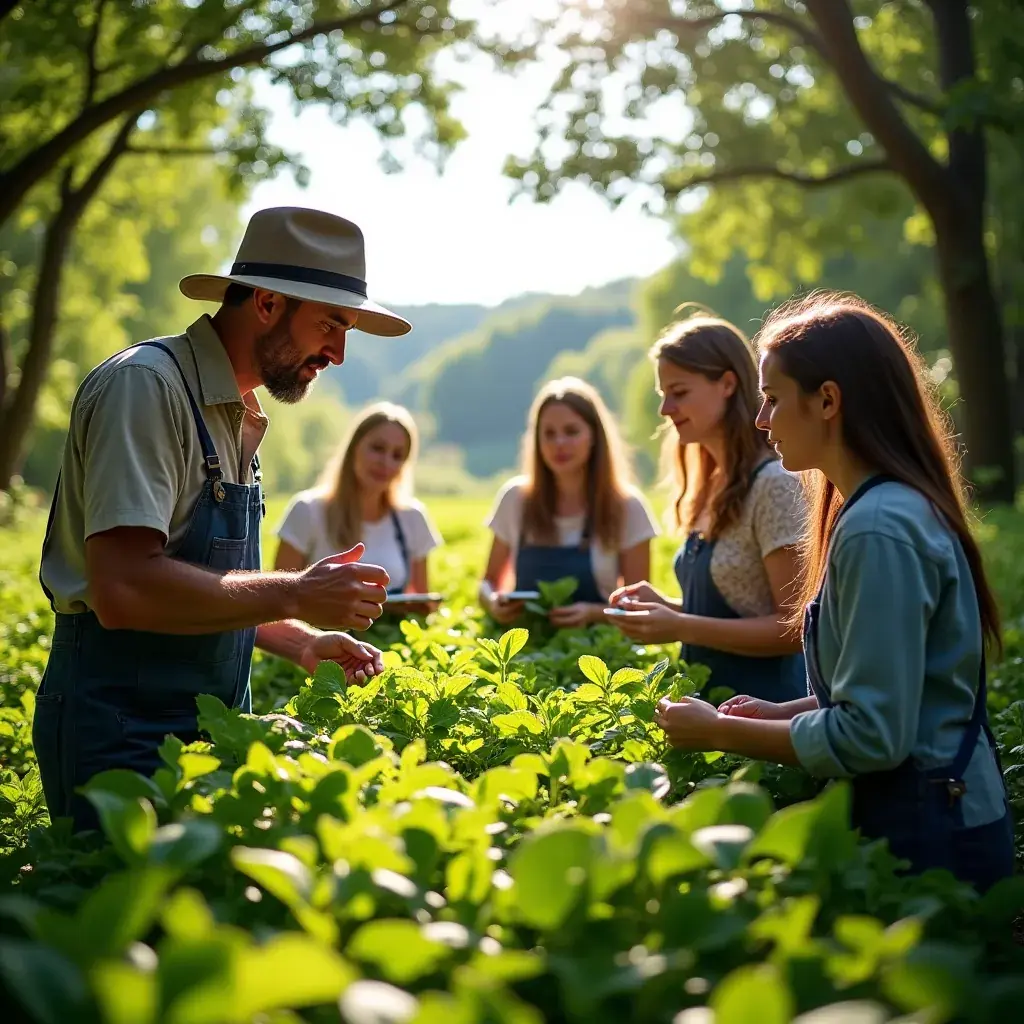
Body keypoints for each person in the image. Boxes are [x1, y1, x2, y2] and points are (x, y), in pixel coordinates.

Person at [34, 206, 411, 832]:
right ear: (266, 302)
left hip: (207, 731)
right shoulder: (147, 388)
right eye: (331, 325)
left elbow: (203, 588)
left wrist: (301, 642)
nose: (339, 354)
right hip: (120, 733)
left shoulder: (238, 413)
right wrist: (295, 591)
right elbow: (124, 589)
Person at [654, 291, 1014, 893]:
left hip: (933, 831)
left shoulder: (878, 527)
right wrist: (785, 711)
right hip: (929, 813)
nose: (761, 419)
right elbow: (887, 694)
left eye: (771, 399)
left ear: (827, 401)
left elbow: (873, 736)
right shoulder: (871, 510)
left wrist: (720, 731)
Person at [605, 308, 807, 704]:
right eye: (663, 394)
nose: (665, 409)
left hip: (766, 713)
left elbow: (794, 627)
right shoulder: (710, 486)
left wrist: (680, 624)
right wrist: (666, 609)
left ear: (727, 384)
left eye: (679, 393)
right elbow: (740, 610)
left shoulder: (774, 486)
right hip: (708, 711)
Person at [479, 376, 659, 628]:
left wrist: (593, 613)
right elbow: (487, 583)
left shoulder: (628, 507)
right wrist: (494, 602)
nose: (559, 443)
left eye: (571, 432)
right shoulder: (515, 499)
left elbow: (638, 606)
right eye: (549, 434)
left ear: (594, 436)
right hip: (526, 650)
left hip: (599, 651)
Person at [273, 401, 443, 613]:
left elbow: (421, 602)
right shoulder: (307, 510)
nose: (386, 462)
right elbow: (279, 602)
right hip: (317, 640)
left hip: (390, 639)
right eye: (377, 448)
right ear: (354, 447)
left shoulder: (413, 517)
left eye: (397, 455)